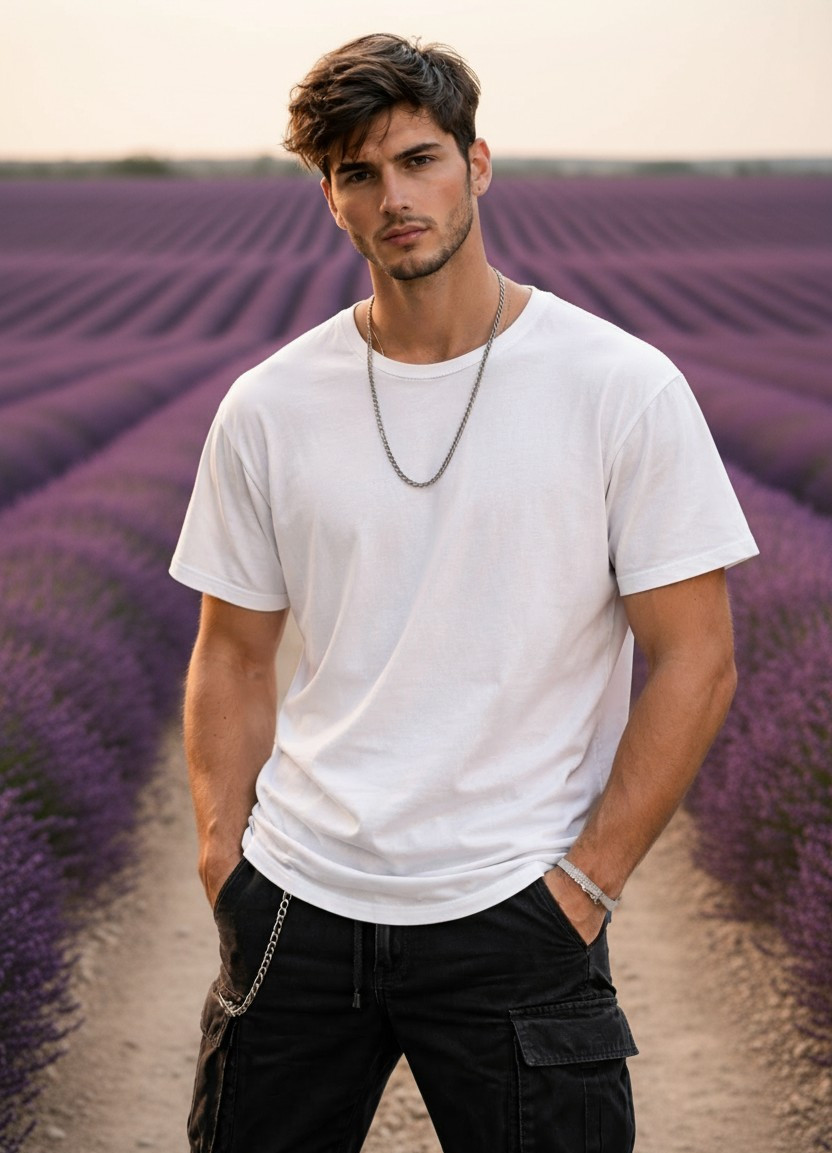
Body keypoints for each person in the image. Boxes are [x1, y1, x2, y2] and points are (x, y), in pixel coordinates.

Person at [170, 32, 759, 1153]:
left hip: (517, 910)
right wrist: (223, 861)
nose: (395, 196)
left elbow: (697, 657)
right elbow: (232, 650)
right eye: (357, 173)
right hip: (299, 901)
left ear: (478, 165)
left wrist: (588, 882)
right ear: (328, 198)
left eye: (419, 159)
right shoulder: (268, 405)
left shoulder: (619, 388)